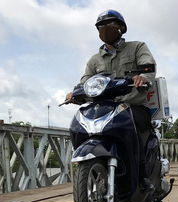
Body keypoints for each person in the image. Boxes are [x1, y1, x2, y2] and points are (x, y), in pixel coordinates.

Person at [66, 10, 157, 175]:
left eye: (110, 24)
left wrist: (142, 77)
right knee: (79, 127)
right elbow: (85, 82)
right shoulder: (94, 60)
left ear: (121, 27)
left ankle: (142, 172)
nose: (105, 28)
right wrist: (74, 94)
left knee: (133, 127)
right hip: (104, 110)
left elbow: (148, 67)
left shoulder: (137, 47)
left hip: (133, 106)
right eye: (101, 26)